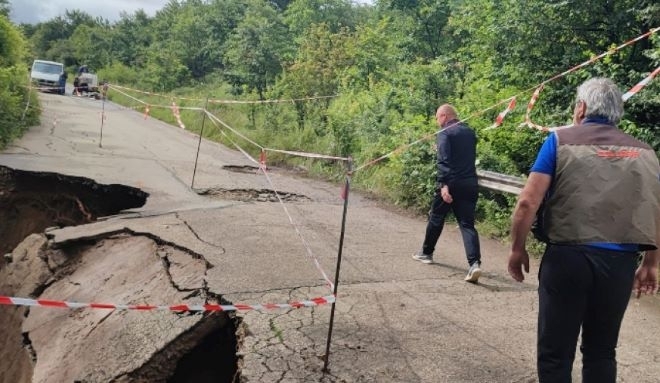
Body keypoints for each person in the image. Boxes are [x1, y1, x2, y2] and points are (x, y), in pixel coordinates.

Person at [507, 77, 660, 383]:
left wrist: (517, 248)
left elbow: (527, 202)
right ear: (618, 113)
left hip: (567, 259)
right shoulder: (646, 153)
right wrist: (651, 264)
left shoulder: (560, 140)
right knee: (602, 351)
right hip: (618, 265)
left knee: (555, 353)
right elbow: (655, 210)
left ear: (581, 108)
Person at [412, 104, 483, 283]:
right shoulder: (470, 132)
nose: (438, 122)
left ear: (444, 116)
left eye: (437, 118)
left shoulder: (445, 133)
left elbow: (444, 160)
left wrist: (443, 185)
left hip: (451, 184)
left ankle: (426, 253)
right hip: (470, 183)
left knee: (436, 217)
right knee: (467, 224)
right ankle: (474, 264)